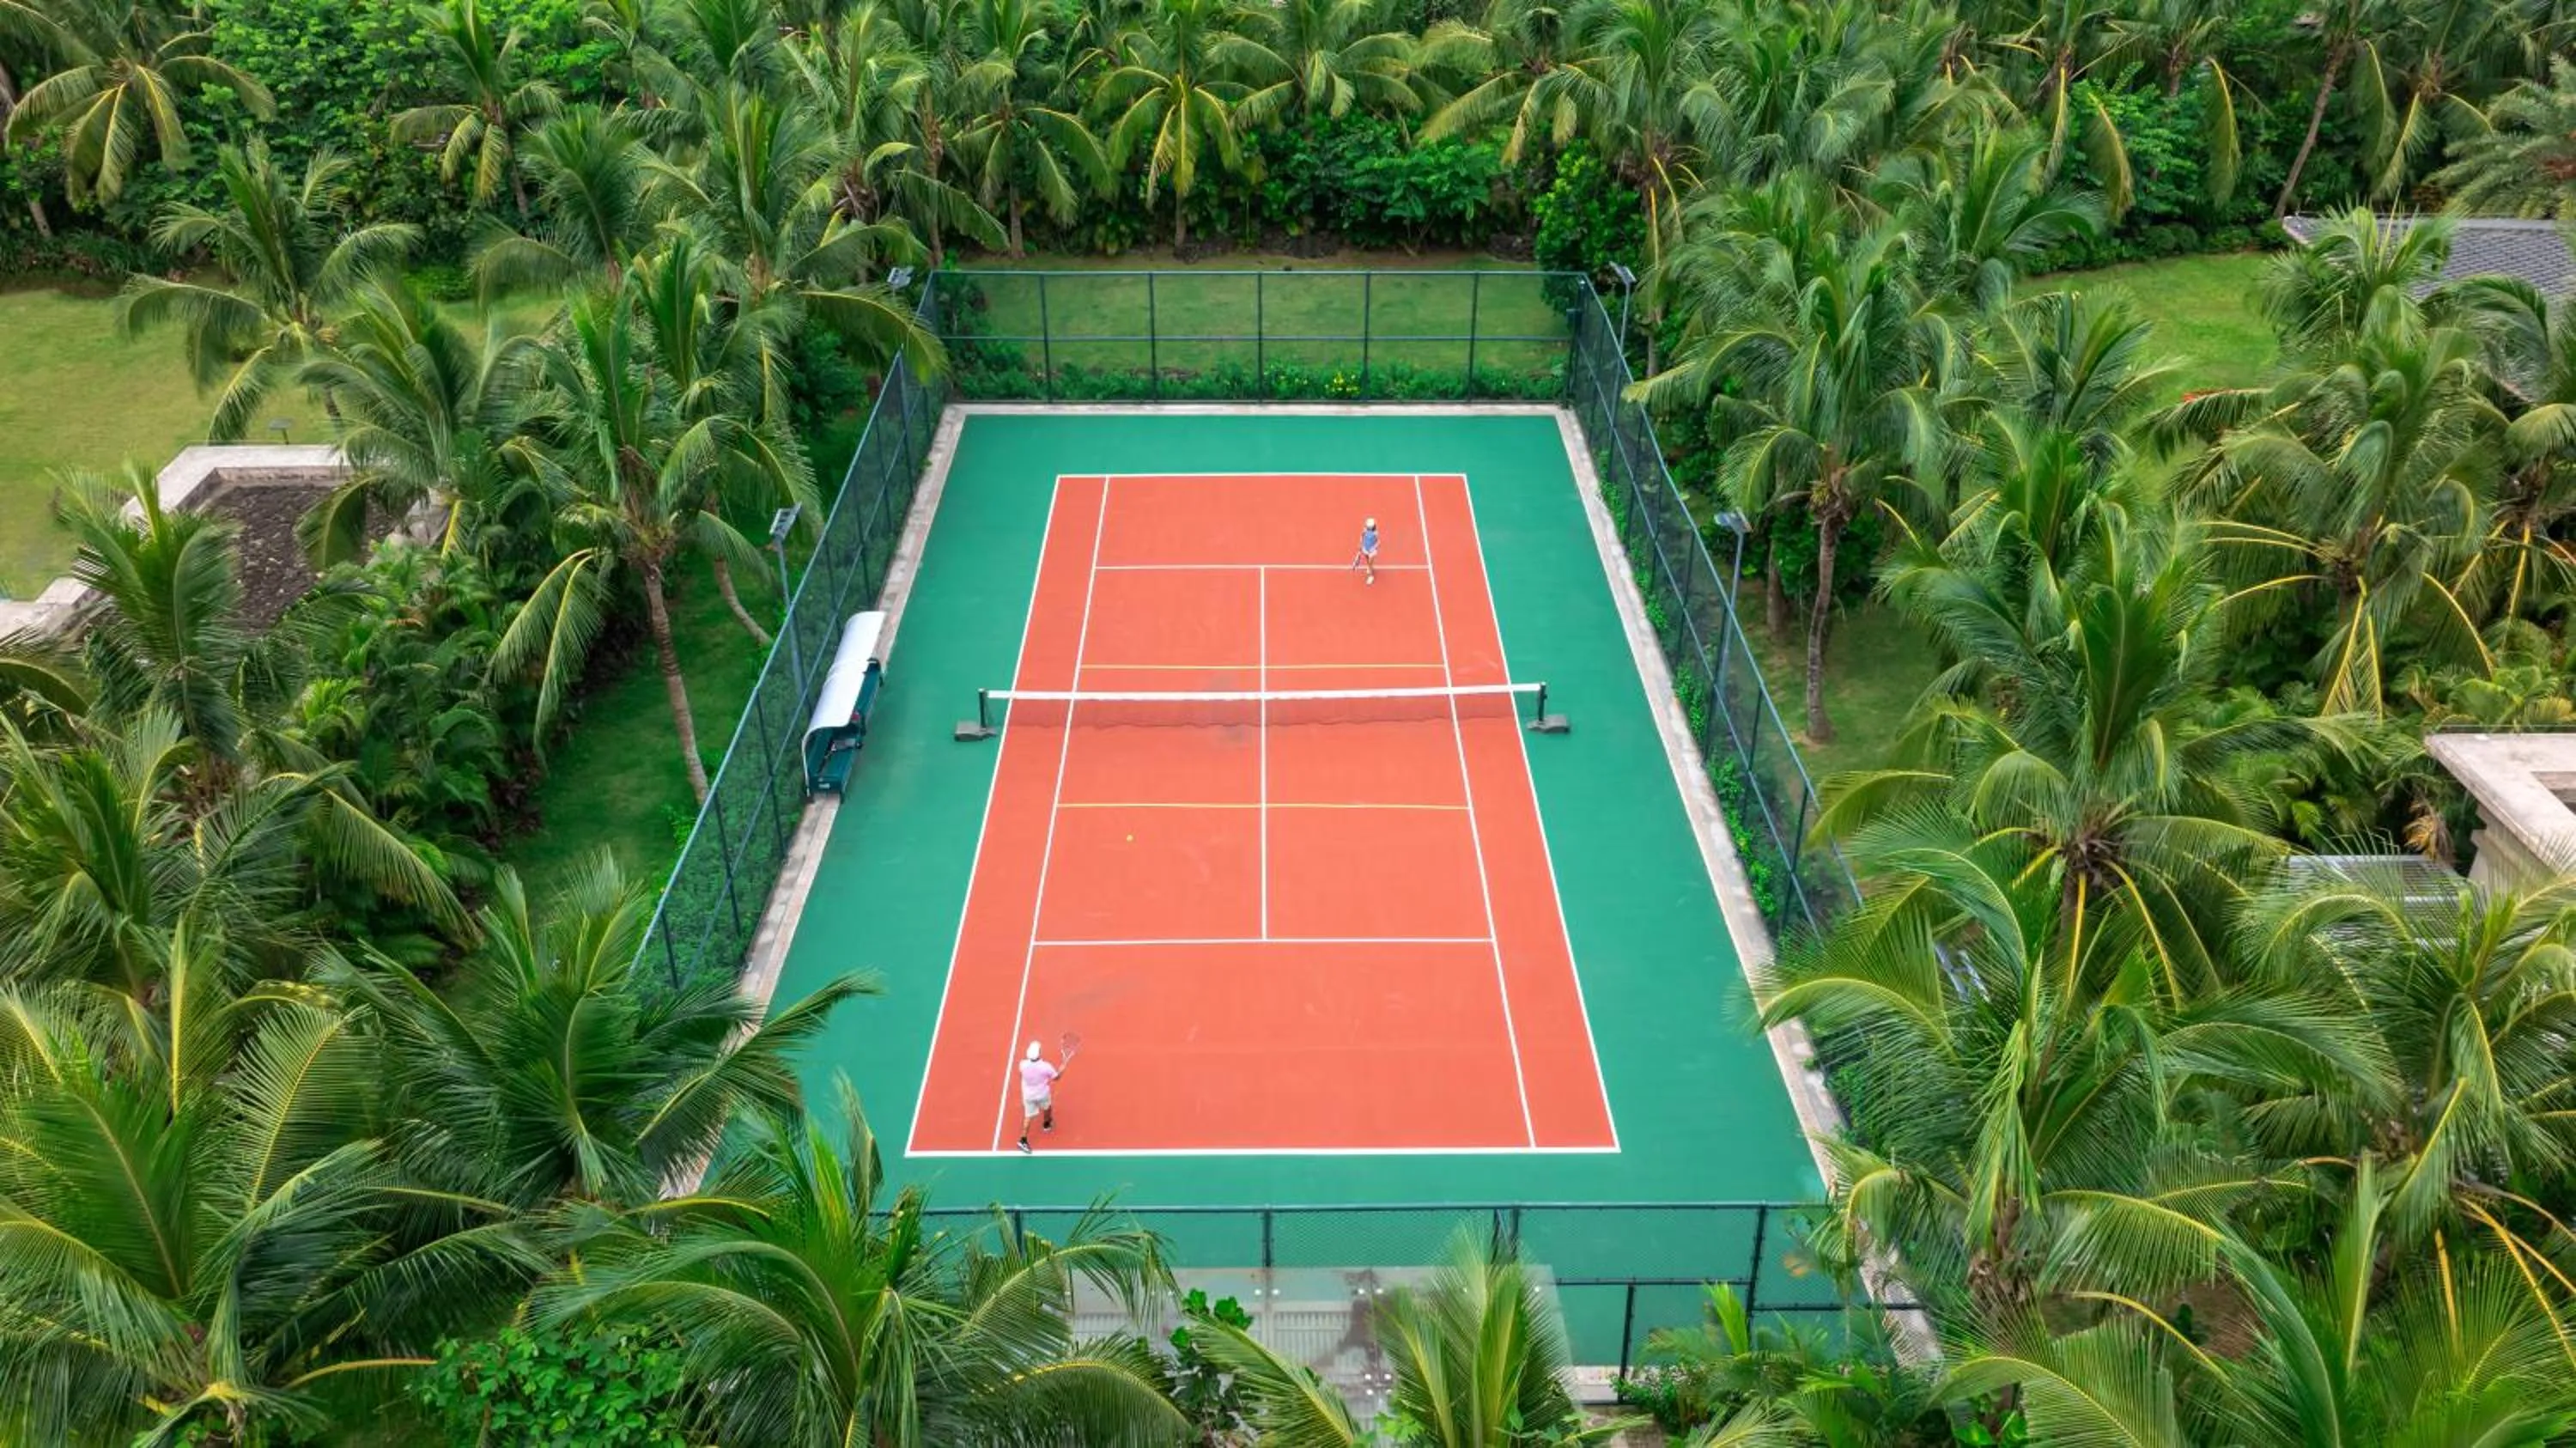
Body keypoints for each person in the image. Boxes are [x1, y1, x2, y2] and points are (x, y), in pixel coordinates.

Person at [1016, 1040, 1060, 1153]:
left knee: (1028, 1117)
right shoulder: (1046, 1067)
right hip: (1042, 1094)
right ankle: (1046, 1124)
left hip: (1028, 1095)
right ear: (1039, 1053)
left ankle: (1023, 1139)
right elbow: (1056, 1078)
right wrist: (1062, 1069)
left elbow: (1021, 1074)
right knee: (1047, 1107)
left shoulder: (1022, 1064)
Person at [1351, 516, 1380, 585]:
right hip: (1366, 548)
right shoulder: (1365, 530)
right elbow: (1362, 536)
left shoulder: (1375, 533)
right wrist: (1361, 543)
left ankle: (1370, 576)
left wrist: (1373, 548)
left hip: (1372, 551)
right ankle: (1370, 568)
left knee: (1370, 563)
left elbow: (1379, 542)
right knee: (1368, 561)